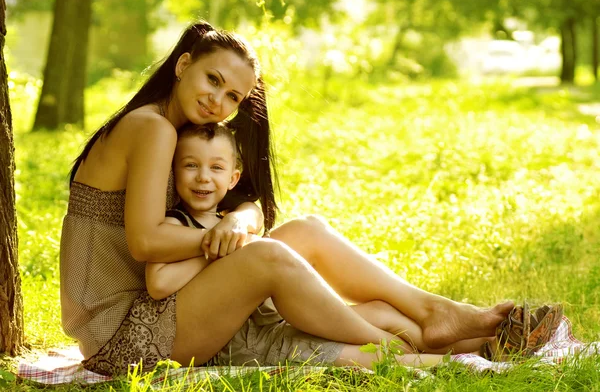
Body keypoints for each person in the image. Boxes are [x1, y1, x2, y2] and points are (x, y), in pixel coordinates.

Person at [60, 20, 514, 376]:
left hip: (165, 303)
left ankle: (443, 319)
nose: (218, 99)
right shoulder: (152, 128)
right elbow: (145, 242)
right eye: (212, 79)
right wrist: (236, 233)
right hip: (121, 334)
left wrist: (241, 217)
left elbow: (236, 204)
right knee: (270, 258)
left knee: (306, 232)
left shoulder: (179, 132)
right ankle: (395, 344)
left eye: (232, 95)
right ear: (182, 66)